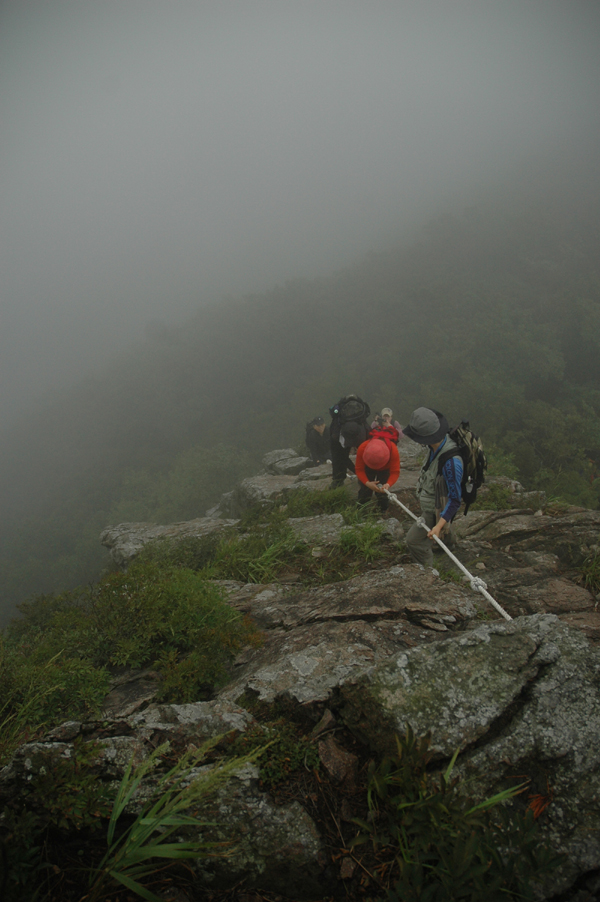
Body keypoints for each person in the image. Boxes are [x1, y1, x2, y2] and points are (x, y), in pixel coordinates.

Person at [403, 407, 463, 568]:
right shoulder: (433, 447)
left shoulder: (451, 462)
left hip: (435, 509)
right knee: (444, 525)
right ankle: (449, 543)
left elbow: (455, 499)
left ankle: (429, 573)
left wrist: (437, 526)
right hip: (433, 503)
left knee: (413, 541)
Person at [329, 394, 371, 488]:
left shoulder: (338, 422)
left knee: (338, 457)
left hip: (341, 436)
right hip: (360, 435)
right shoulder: (362, 420)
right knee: (366, 456)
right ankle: (366, 478)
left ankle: (338, 480)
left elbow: (338, 458)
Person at [355, 434, 400, 512]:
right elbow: (359, 469)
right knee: (365, 490)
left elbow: (395, 472)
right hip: (368, 467)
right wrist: (367, 483)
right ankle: (360, 509)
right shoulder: (362, 448)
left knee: (383, 492)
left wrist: (388, 484)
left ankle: (382, 510)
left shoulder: (393, 450)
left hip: (385, 468)